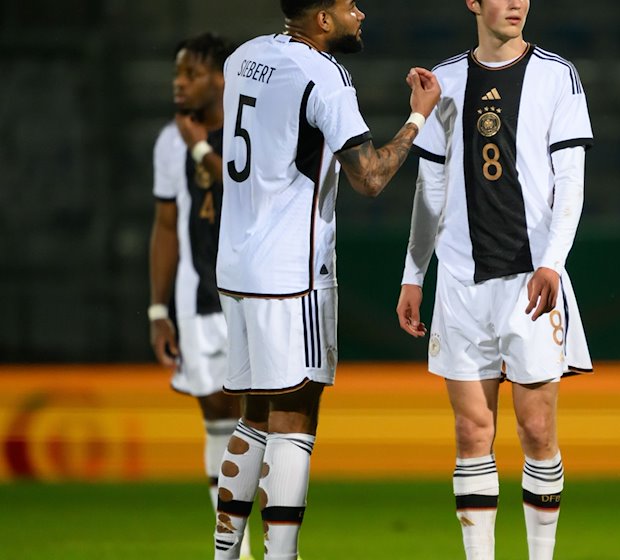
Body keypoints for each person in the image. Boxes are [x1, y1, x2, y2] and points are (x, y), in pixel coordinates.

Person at [211, 1, 440, 559]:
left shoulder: (244, 58)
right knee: (295, 415)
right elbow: (370, 177)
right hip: (291, 272)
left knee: (254, 416)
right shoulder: (323, 74)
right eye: (348, 6)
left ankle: (223, 554)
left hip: (236, 267)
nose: (360, 14)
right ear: (321, 18)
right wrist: (418, 118)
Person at [395, 1, 593, 558]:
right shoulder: (446, 81)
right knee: (470, 434)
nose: (516, 4)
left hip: (531, 280)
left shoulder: (558, 76)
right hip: (460, 282)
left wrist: (552, 260)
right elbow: (430, 189)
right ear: (473, 3)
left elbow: (570, 182)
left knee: (536, 431)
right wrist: (415, 274)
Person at [148, 32, 257, 560]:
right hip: (198, 297)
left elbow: (245, 191)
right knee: (216, 412)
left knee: (259, 416)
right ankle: (230, 548)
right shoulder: (169, 142)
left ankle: (273, 541)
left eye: (190, 74)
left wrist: (197, 144)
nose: (179, 84)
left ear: (221, 78)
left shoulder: (248, 125)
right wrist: (157, 309)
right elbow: (166, 223)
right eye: (177, 74)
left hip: (257, 291)